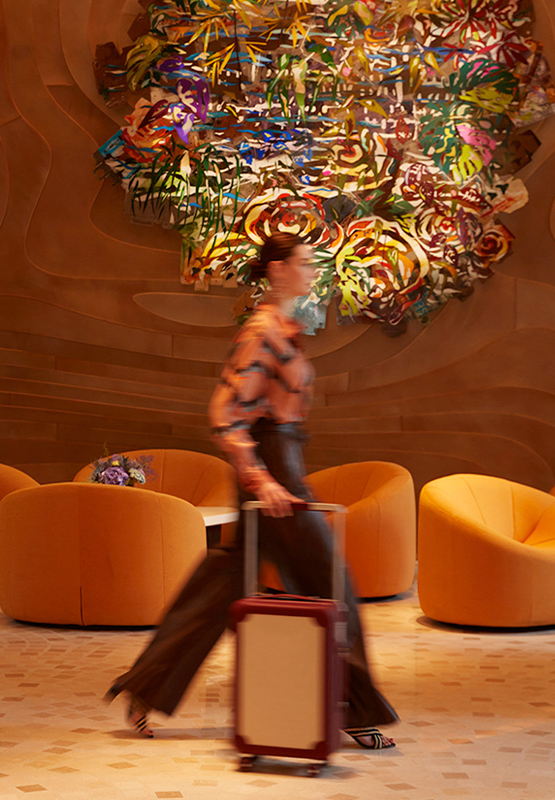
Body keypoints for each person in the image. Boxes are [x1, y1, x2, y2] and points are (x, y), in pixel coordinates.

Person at [105, 232, 398, 749]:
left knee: (222, 590)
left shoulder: (285, 328)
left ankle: (144, 690)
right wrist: (262, 481)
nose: (313, 272)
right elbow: (225, 415)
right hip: (273, 476)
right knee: (334, 585)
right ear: (278, 270)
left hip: (281, 467)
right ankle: (352, 709)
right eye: (305, 263)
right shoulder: (261, 332)